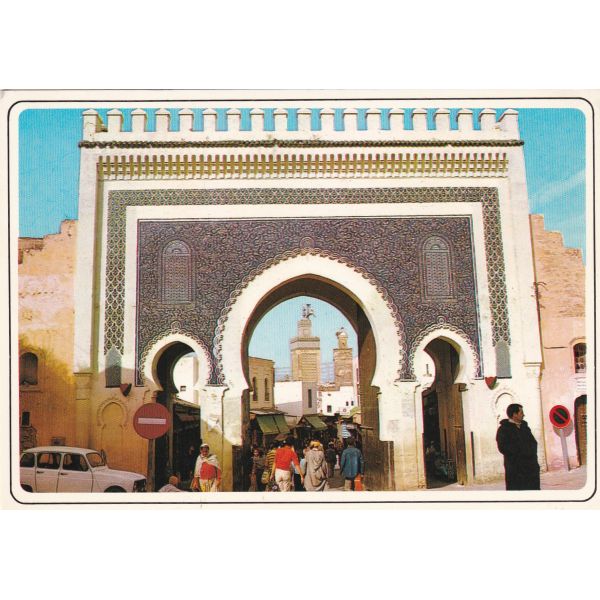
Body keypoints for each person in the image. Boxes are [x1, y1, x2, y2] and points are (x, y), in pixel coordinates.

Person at [496, 403, 541, 490]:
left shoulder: (524, 427)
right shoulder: (504, 429)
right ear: (514, 414)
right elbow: (503, 447)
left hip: (530, 469)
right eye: (521, 413)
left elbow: (533, 443)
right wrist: (521, 452)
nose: (523, 415)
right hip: (515, 469)